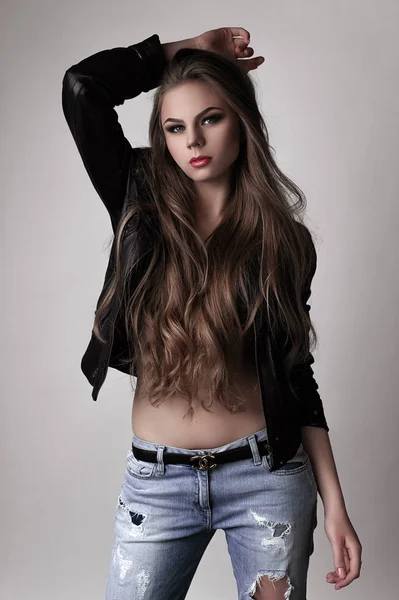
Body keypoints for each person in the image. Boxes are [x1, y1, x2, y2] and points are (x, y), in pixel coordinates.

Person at [62, 26, 362, 600]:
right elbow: (82, 87)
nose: (193, 140)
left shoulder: (284, 242)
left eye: (211, 119)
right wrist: (188, 49)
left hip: (266, 477)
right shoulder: (139, 198)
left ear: (242, 122)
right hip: (158, 482)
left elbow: (296, 376)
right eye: (175, 128)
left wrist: (336, 507)